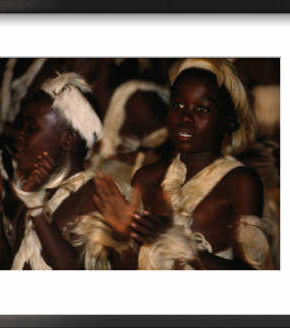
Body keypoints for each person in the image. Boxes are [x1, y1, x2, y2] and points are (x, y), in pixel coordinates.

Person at [94, 58, 276, 270]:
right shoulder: (146, 178)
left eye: (203, 108)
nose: (186, 117)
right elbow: (126, 268)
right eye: (178, 105)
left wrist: (186, 249)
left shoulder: (239, 182)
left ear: (230, 121)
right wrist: (121, 235)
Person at [0, 72, 136, 270]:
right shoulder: (30, 194)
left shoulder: (92, 196)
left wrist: (37, 208)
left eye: (31, 127)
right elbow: (3, 265)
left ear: (68, 139)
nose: (19, 136)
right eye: (22, 126)